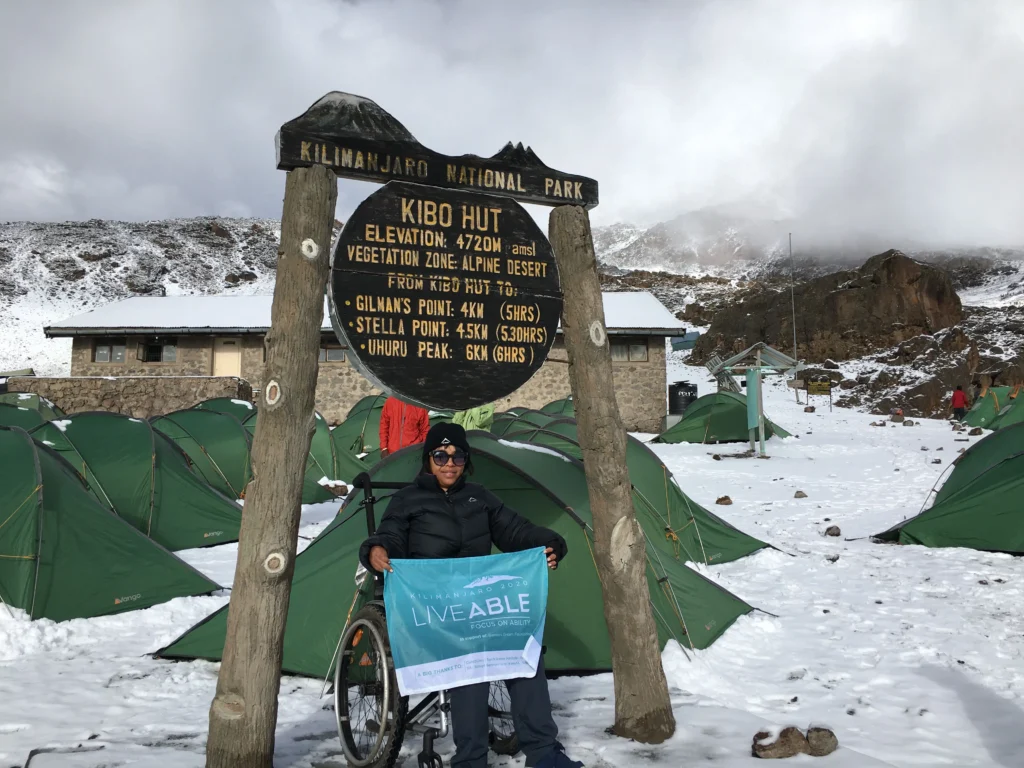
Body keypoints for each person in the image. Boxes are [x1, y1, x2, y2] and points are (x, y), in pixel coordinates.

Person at [359, 422, 584, 768]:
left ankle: (543, 753)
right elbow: (390, 533)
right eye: (440, 455)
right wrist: (376, 548)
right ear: (428, 459)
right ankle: (470, 759)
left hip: (478, 605)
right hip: (434, 610)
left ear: (466, 460)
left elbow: (515, 529)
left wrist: (550, 541)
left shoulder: (480, 497)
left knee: (524, 649)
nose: (449, 463)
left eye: (458, 456)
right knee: (470, 659)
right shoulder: (407, 500)